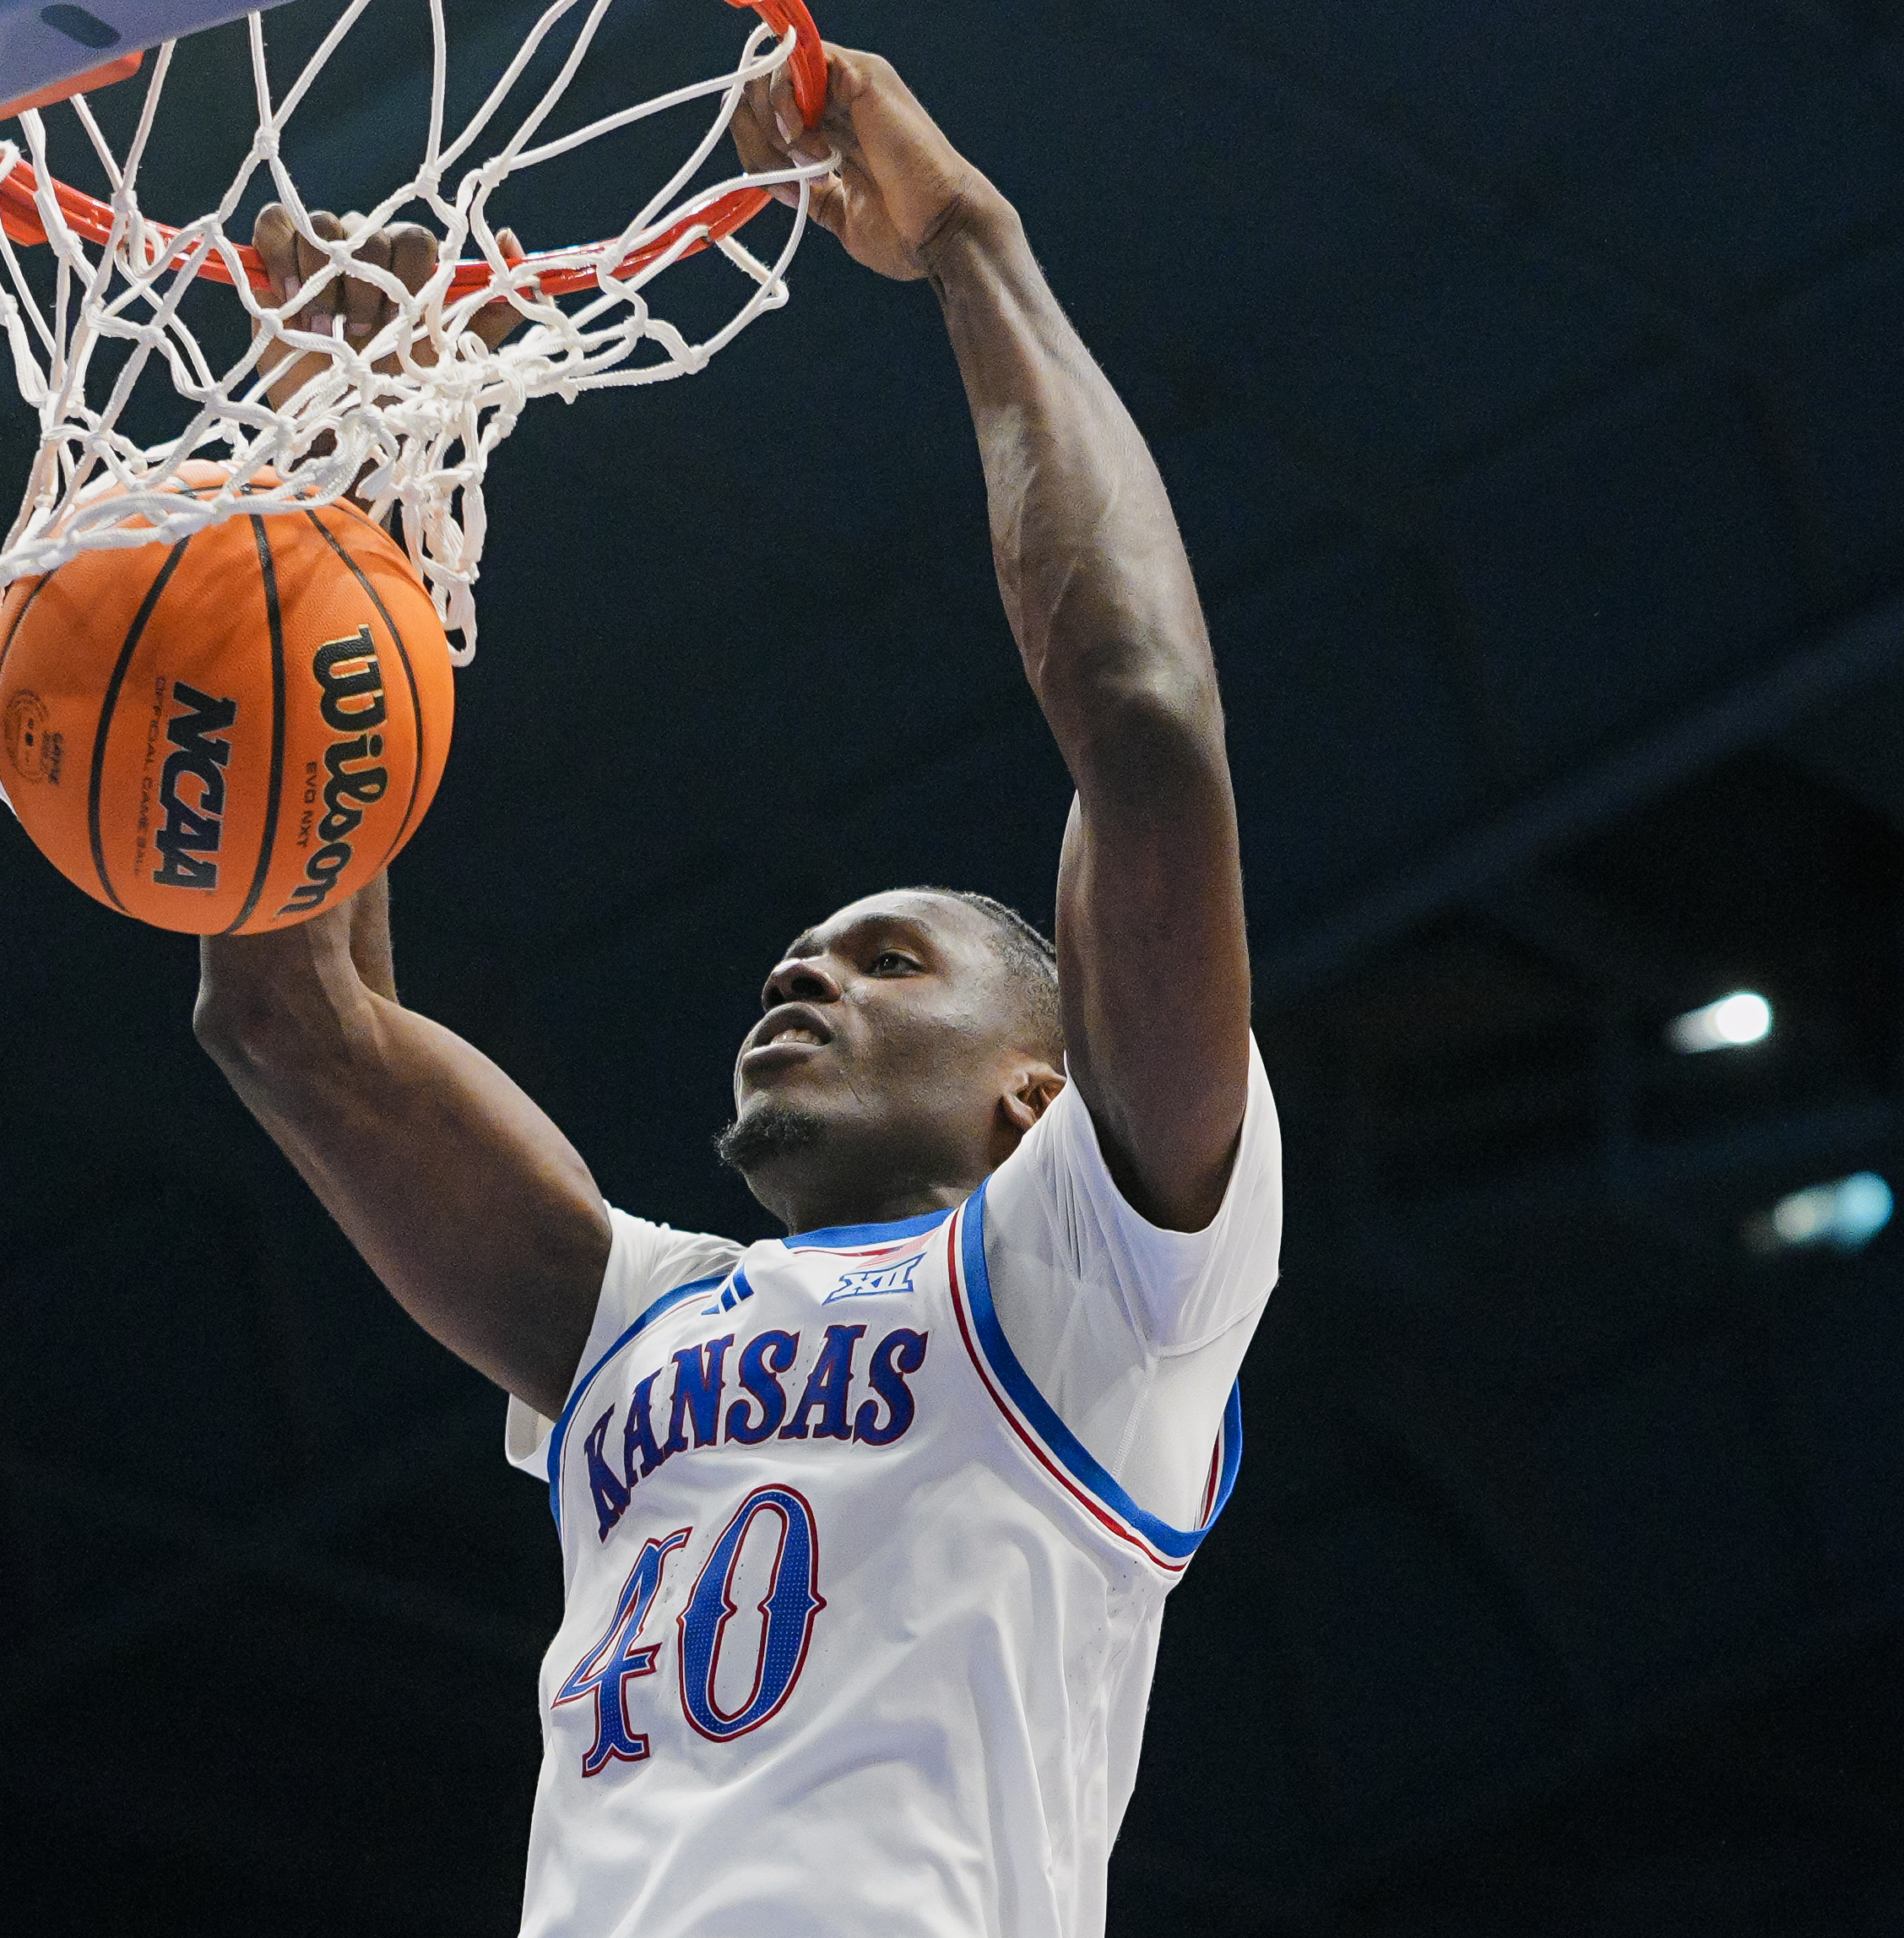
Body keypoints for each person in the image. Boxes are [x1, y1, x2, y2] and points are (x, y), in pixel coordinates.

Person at [194, 41, 1281, 1938]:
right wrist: (337, 469)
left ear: (1039, 1090)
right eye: (810, 947)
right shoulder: (639, 1317)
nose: (805, 964)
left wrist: (970, 243)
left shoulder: (1104, 1281)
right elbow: (287, 1015)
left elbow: (1148, 726)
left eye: (890, 956)